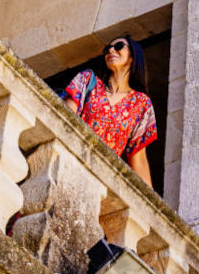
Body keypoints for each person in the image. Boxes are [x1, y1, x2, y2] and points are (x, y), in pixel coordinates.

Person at [62, 36, 157, 187]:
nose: (111, 50)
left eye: (119, 46)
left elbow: (138, 158)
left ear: (133, 57)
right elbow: (64, 119)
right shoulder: (87, 80)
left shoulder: (141, 104)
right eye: (107, 49)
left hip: (101, 180)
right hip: (70, 162)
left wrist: (153, 208)